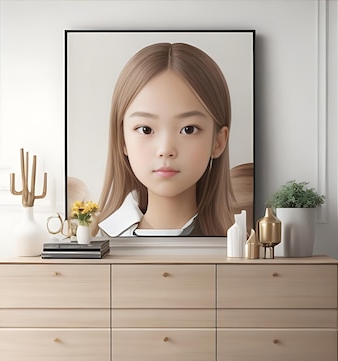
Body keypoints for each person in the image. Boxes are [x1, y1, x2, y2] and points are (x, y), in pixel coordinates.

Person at [96, 42, 235, 237]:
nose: (165, 149)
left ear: (218, 142)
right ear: (122, 140)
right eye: (145, 129)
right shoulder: (99, 243)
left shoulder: (241, 248)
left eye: (188, 129)